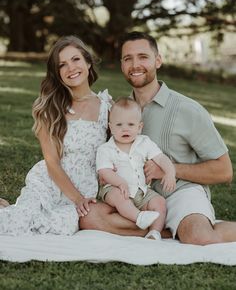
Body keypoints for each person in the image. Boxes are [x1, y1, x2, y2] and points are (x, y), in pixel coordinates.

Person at [80, 31, 236, 245]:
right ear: (122, 65)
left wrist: (170, 169)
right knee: (89, 217)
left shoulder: (188, 110)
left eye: (143, 57)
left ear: (158, 60)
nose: (135, 65)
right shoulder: (118, 111)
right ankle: (164, 229)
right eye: (128, 59)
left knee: (199, 236)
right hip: (136, 196)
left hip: (181, 192)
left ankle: (178, 226)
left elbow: (224, 171)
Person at [0, 35, 112, 235]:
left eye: (76, 59)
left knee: (62, 227)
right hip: (50, 182)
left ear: (87, 62)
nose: (71, 68)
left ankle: (7, 209)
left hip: (84, 185)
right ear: (57, 73)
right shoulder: (50, 108)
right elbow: (52, 163)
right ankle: (11, 213)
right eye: (62, 65)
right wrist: (77, 199)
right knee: (16, 225)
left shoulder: (107, 108)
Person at [96, 97, 176, 240]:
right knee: (119, 197)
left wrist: (169, 172)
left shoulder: (144, 143)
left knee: (160, 202)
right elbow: (104, 171)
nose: (125, 128)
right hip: (115, 188)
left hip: (141, 191)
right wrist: (120, 183)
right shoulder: (106, 149)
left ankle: (155, 232)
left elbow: (161, 158)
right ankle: (139, 217)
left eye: (131, 124)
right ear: (111, 127)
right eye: (119, 124)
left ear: (139, 127)